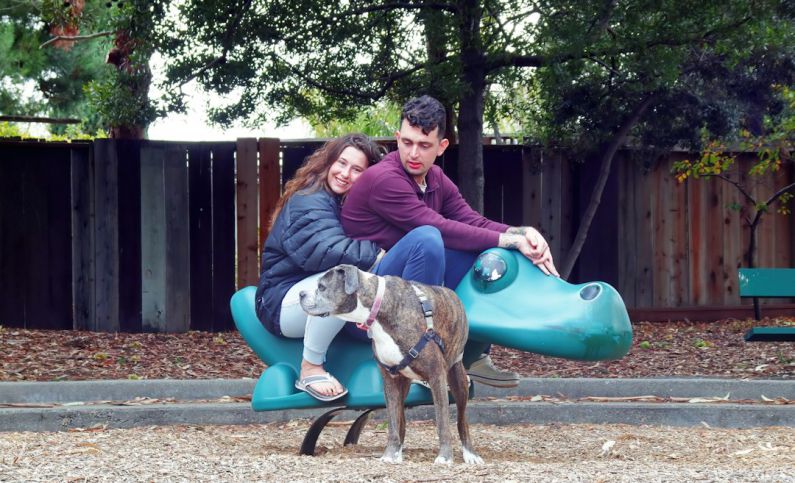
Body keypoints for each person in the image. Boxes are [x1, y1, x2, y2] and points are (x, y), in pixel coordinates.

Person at [341, 95, 560, 388]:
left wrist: (520, 233)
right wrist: (510, 239)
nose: (413, 153)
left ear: (442, 146)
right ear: (397, 138)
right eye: (407, 142)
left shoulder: (436, 179)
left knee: (485, 253)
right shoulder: (384, 179)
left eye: (424, 145)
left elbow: (473, 222)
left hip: (399, 290)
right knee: (428, 238)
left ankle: (472, 354)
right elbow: (437, 227)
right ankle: (416, 357)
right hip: (365, 305)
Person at [255, 133, 384, 402]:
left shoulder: (344, 203)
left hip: (309, 294)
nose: (345, 174)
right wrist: (380, 251)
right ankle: (310, 368)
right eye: (341, 163)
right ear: (328, 162)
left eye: (357, 169)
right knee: (344, 281)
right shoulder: (309, 200)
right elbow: (326, 251)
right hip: (282, 300)